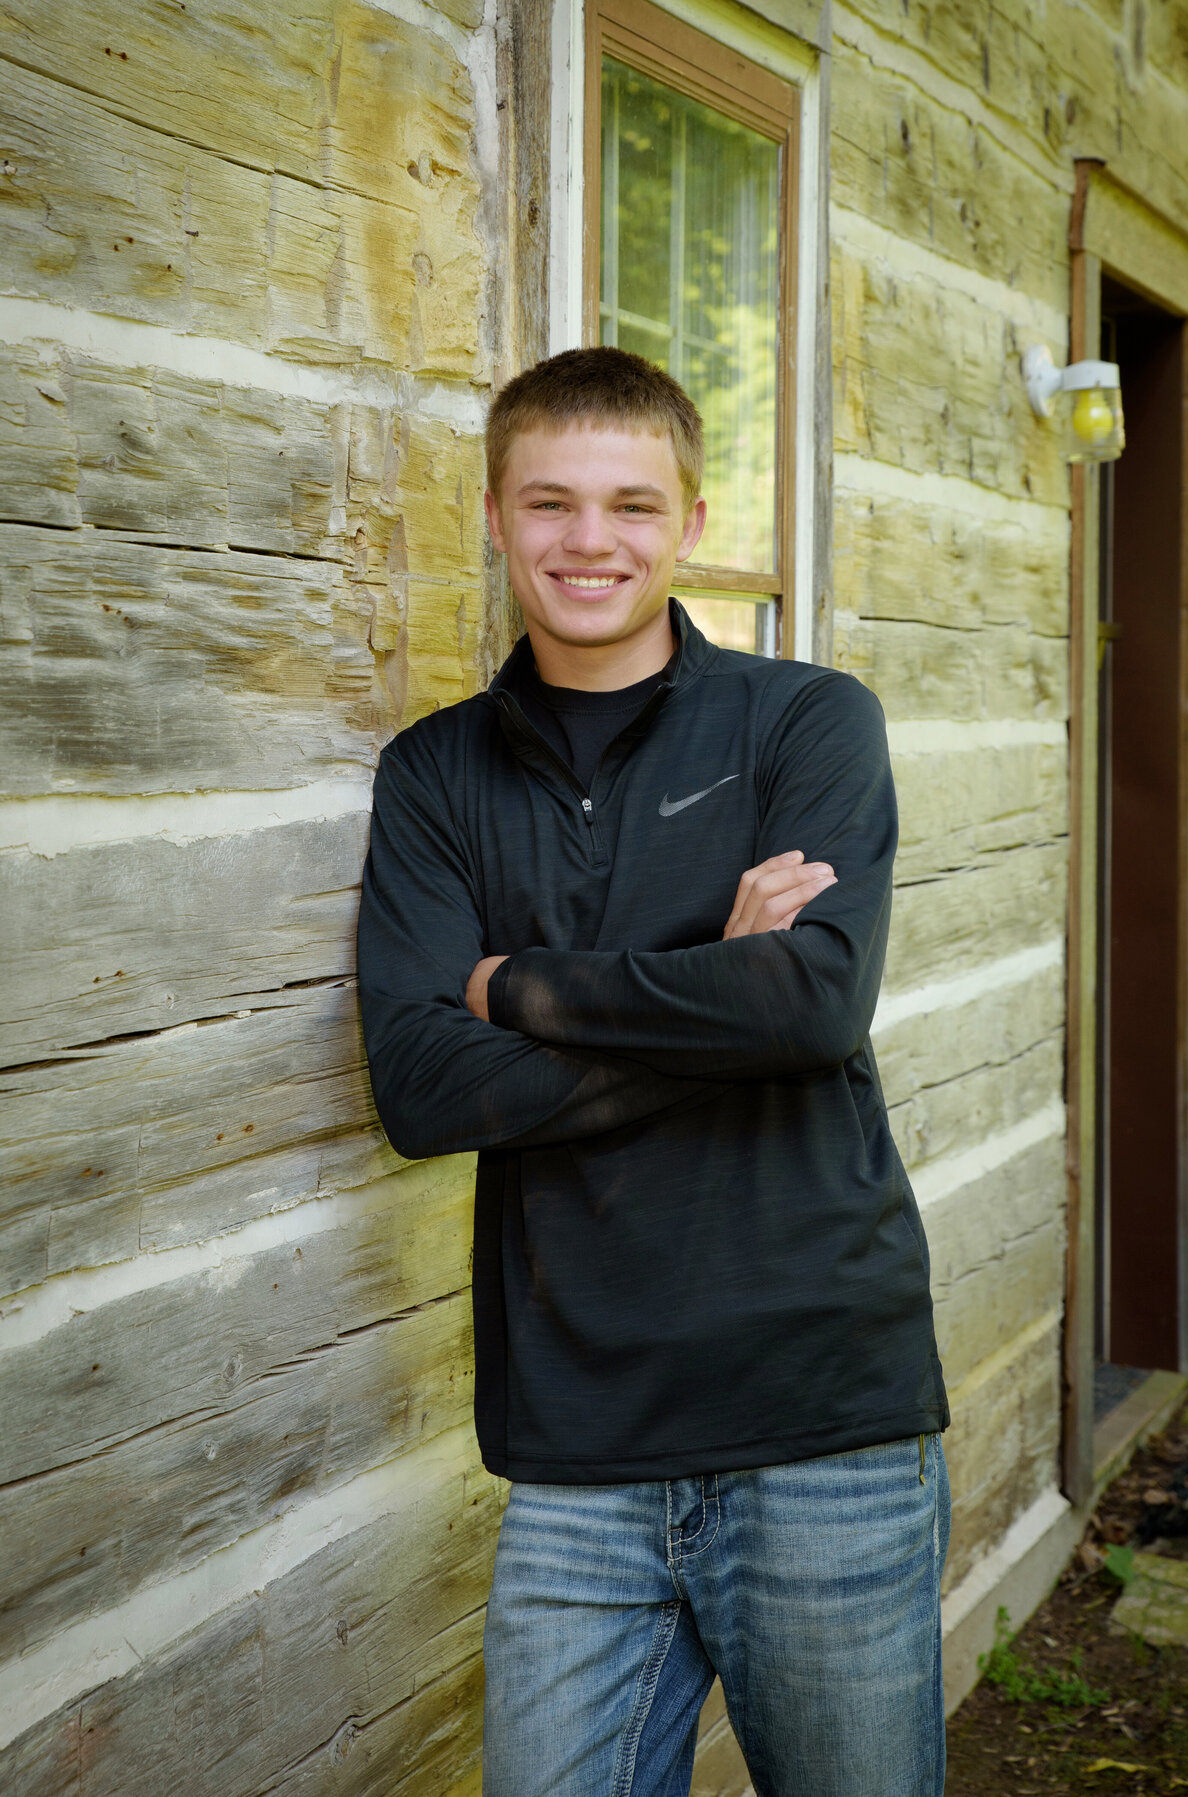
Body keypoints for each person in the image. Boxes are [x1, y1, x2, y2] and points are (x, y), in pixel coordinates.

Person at [357, 345, 951, 1797]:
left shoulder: (807, 721)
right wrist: (717, 993)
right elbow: (427, 1087)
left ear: (689, 521)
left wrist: (519, 987)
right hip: (577, 1439)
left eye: (630, 504)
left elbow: (809, 1006)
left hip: (824, 1416)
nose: (589, 541)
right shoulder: (435, 776)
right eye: (550, 502)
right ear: (495, 516)